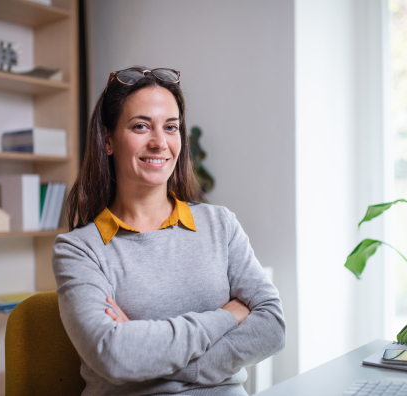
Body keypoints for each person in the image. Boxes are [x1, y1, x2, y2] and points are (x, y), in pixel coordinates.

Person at [52, 66, 286, 396]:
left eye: (171, 127)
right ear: (108, 140)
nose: (159, 142)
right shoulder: (79, 249)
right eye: (140, 126)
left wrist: (149, 361)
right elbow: (115, 356)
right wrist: (226, 317)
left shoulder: (221, 225)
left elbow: (272, 328)